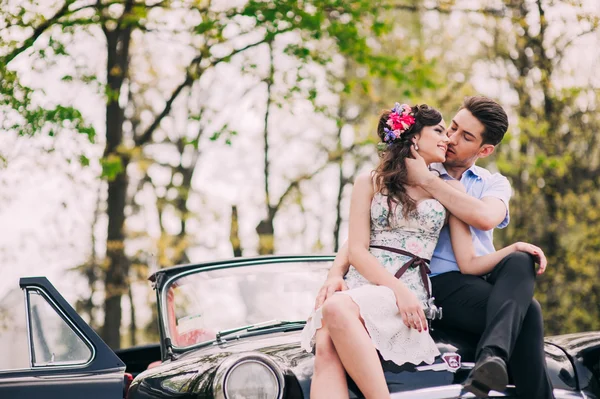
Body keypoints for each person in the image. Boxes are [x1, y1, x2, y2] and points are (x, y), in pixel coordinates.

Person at [315, 96, 554, 399]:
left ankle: (491, 360)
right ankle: (494, 363)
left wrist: (428, 181)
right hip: (434, 285)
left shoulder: (479, 184)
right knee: (528, 311)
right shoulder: (393, 176)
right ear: (415, 137)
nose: (450, 138)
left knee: (522, 266)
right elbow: (363, 237)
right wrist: (335, 272)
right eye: (449, 128)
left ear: (485, 150)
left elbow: (482, 220)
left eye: (464, 136)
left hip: (469, 283)